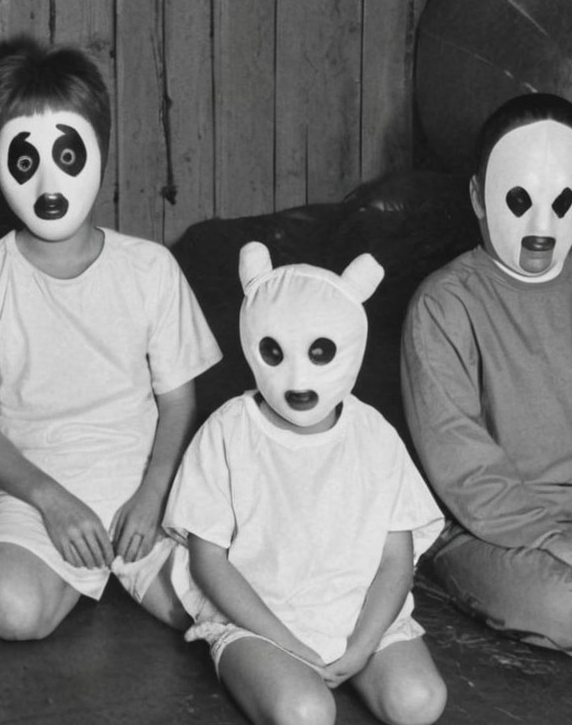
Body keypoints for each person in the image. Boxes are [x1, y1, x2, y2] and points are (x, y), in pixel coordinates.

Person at [0, 44, 222, 640]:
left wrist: (154, 492)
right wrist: (52, 503)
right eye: (26, 161)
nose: (49, 181)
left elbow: (179, 401)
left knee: (210, 608)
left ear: (100, 152)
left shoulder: (149, 267)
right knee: (9, 610)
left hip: (140, 485)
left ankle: (116, 569)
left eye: (67, 154)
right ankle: (91, 573)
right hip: (29, 487)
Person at [165, 242, 446, 725]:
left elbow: (395, 560)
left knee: (419, 702)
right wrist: (285, 643)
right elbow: (208, 560)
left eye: (320, 353)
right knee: (305, 713)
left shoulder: (373, 433)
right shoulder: (229, 429)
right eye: (275, 353)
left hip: (360, 616)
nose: (298, 378)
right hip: (259, 621)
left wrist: (361, 646)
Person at [402, 92, 572, 656]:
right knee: (568, 608)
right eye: (519, 199)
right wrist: (544, 537)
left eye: (562, 201)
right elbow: (459, 462)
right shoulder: (445, 304)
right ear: (478, 197)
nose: (542, 224)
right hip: (484, 529)